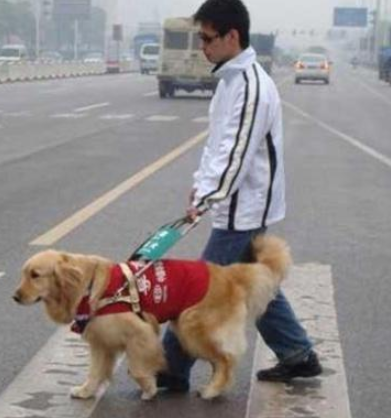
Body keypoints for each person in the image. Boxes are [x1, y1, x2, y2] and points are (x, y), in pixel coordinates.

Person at [157, 0, 322, 392]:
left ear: (233, 36)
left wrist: (207, 197)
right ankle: (298, 354)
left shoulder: (249, 86)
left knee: (198, 287)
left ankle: (171, 367)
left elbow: (237, 154)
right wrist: (200, 185)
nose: (203, 47)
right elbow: (216, 145)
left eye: (208, 39)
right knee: (254, 283)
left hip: (243, 207)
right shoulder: (231, 81)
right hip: (234, 202)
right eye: (201, 38)